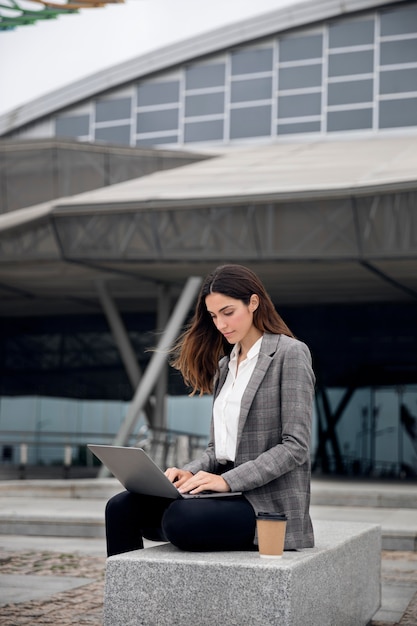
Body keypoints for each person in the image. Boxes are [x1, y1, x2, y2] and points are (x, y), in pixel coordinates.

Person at [105, 264, 315, 556]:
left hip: (265, 501)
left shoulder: (290, 354)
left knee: (180, 519)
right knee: (120, 508)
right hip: (222, 491)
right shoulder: (225, 366)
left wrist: (227, 480)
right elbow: (217, 451)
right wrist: (187, 472)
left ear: (253, 303)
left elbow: (295, 447)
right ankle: (125, 601)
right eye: (214, 316)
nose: (221, 324)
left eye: (228, 312)